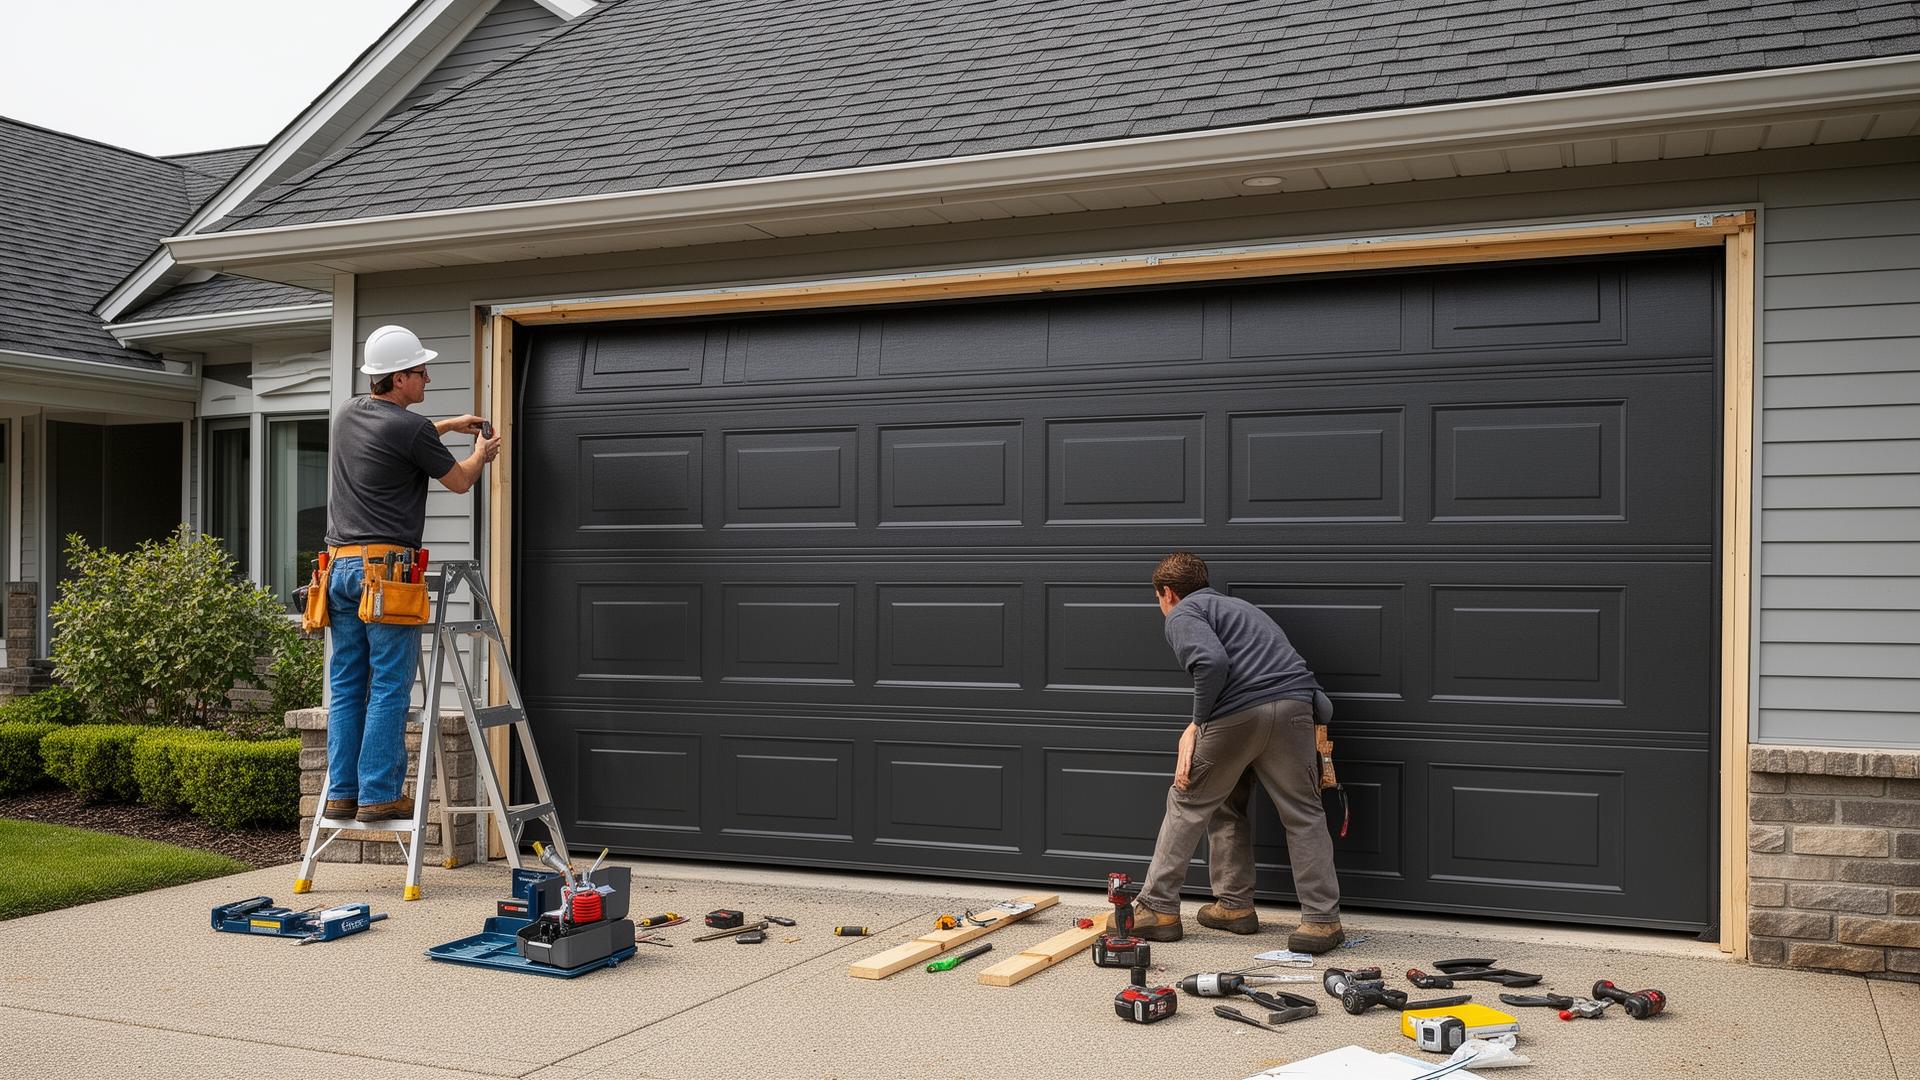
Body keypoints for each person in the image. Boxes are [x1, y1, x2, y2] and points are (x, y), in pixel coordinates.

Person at [1109, 551, 1345, 953]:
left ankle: (1158, 909)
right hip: (1295, 709)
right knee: (1294, 813)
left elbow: (1211, 662)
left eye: (1159, 599)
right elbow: (1311, 692)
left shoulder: (1183, 615)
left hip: (1239, 713)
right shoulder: (1242, 610)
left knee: (1188, 803)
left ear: (1167, 593)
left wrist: (1198, 725)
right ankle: (1309, 920)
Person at [320, 324, 499, 824]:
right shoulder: (411, 430)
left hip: (338, 570)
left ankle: (342, 794)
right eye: (421, 372)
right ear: (399, 378)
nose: (428, 378)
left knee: (349, 683)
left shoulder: (350, 413)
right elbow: (460, 481)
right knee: (389, 686)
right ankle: (378, 794)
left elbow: (398, 438)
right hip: (387, 574)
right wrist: (480, 453)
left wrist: (444, 426)